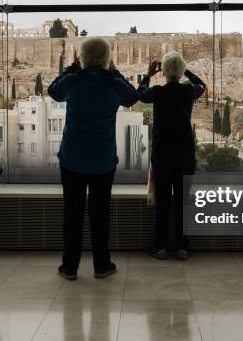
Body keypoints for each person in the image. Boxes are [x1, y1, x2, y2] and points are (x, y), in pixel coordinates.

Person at [48, 37, 139, 280]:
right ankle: (102, 265)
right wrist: (115, 71)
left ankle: (70, 267)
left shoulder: (74, 80)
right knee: (100, 215)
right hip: (102, 161)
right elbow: (132, 97)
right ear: (107, 58)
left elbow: (53, 91)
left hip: (72, 159)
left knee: (73, 215)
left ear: (82, 57)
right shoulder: (112, 83)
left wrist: (73, 67)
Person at [138, 51, 206, 261]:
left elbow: (140, 94)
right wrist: (187, 72)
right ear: (181, 70)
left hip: (163, 155)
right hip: (185, 155)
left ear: (164, 71)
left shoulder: (157, 92)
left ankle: (160, 247)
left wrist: (148, 75)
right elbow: (202, 85)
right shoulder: (189, 90)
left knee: (163, 201)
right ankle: (183, 247)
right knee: (183, 202)